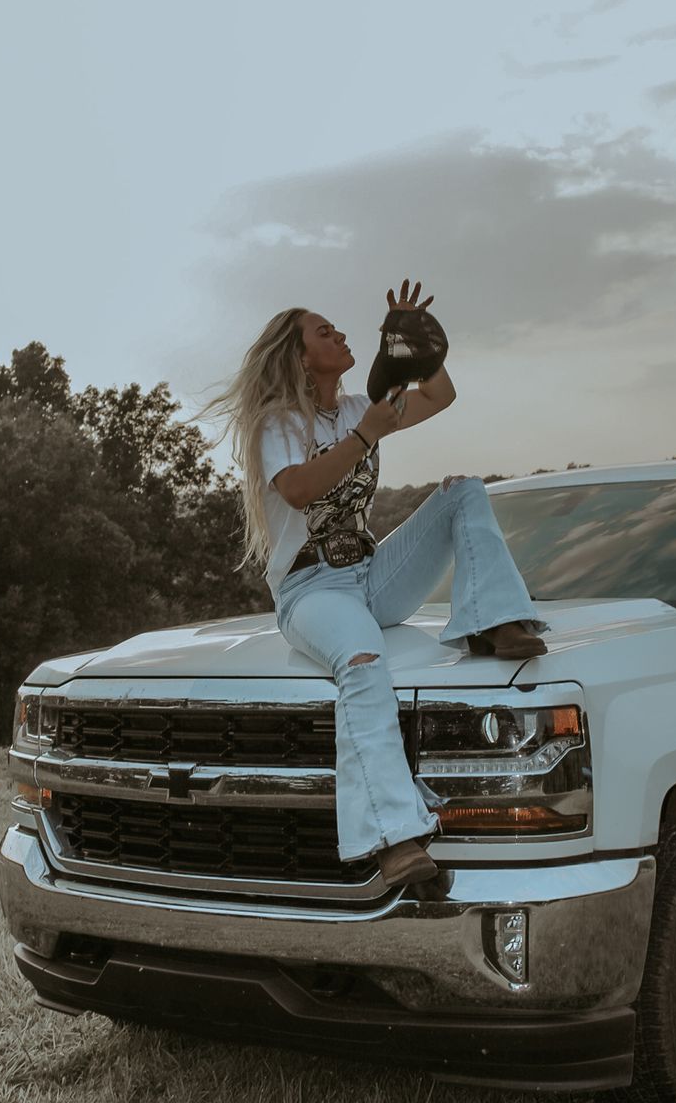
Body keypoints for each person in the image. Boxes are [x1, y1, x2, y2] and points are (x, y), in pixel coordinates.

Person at [197, 278, 548, 887]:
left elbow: (441, 395)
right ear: (299, 355)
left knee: (462, 490)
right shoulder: (278, 424)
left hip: (372, 574)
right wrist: (368, 435)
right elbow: (299, 489)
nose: (340, 335)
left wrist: (412, 342)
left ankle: (495, 620)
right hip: (313, 591)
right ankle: (394, 840)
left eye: (339, 328)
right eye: (324, 332)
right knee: (361, 662)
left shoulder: (362, 406)